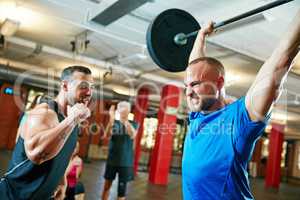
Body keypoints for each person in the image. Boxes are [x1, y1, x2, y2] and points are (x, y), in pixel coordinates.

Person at [182, 10, 300, 200]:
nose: (188, 91)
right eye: (186, 86)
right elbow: (195, 67)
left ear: (219, 84)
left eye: (194, 85)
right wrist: (200, 36)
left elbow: (280, 61)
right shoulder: (198, 114)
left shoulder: (240, 120)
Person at [0, 65, 94, 200]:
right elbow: (38, 156)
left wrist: (62, 182)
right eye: (84, 86)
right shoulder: (43, 113)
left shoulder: (70, 118)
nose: (89, 92)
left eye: (92, 87)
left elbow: (64, 154)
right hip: (15, 195)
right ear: (65, 86)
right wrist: (72, 120)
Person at [101, 101, 138, 200]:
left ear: (128, 111)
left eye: (124, 109)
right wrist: (111, 119)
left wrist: (124, 120)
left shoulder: (133, 123)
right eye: (120, 108)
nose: (122, 110)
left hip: (125, 162)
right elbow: (106, 135)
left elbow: (133, 135)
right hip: (112, 160)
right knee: (106, 187)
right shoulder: (114, 123)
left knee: (122, 190)